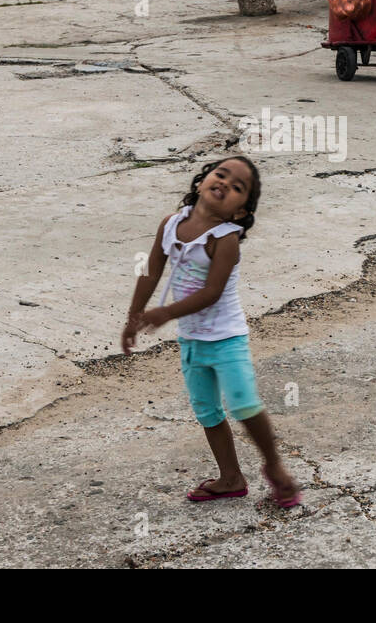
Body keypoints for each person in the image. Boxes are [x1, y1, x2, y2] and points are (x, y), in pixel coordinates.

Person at [121, 156, 301, 509]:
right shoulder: (171, 224)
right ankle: (231, 477)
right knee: (207, 412)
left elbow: (212, 292)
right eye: (220, 175)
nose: (224, 184)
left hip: (227, 339)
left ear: (239, 212)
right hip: (192, 341)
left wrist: (165, 313)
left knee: (244, 404)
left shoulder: (226, 239)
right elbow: (151, 272)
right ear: (202, 180)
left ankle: (275, 467)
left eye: (237, 188)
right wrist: (133, 317)